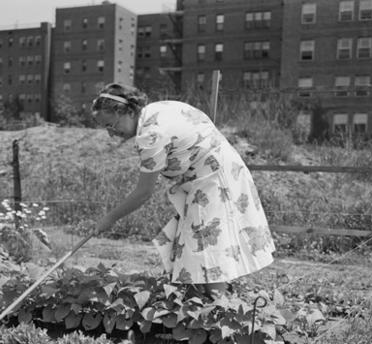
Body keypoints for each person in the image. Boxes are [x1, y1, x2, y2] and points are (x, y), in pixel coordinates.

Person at [91, 82, 275, 296]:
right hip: (217, 171)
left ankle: (220, 309)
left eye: (111, 125)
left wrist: (110, 218)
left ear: (127, 111)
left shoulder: (150, 135)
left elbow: (143, 192)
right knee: (198, 248)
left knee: (207, 249)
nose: (111, 134)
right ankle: (208, 305)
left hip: (214, 179)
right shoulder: (157, 109)